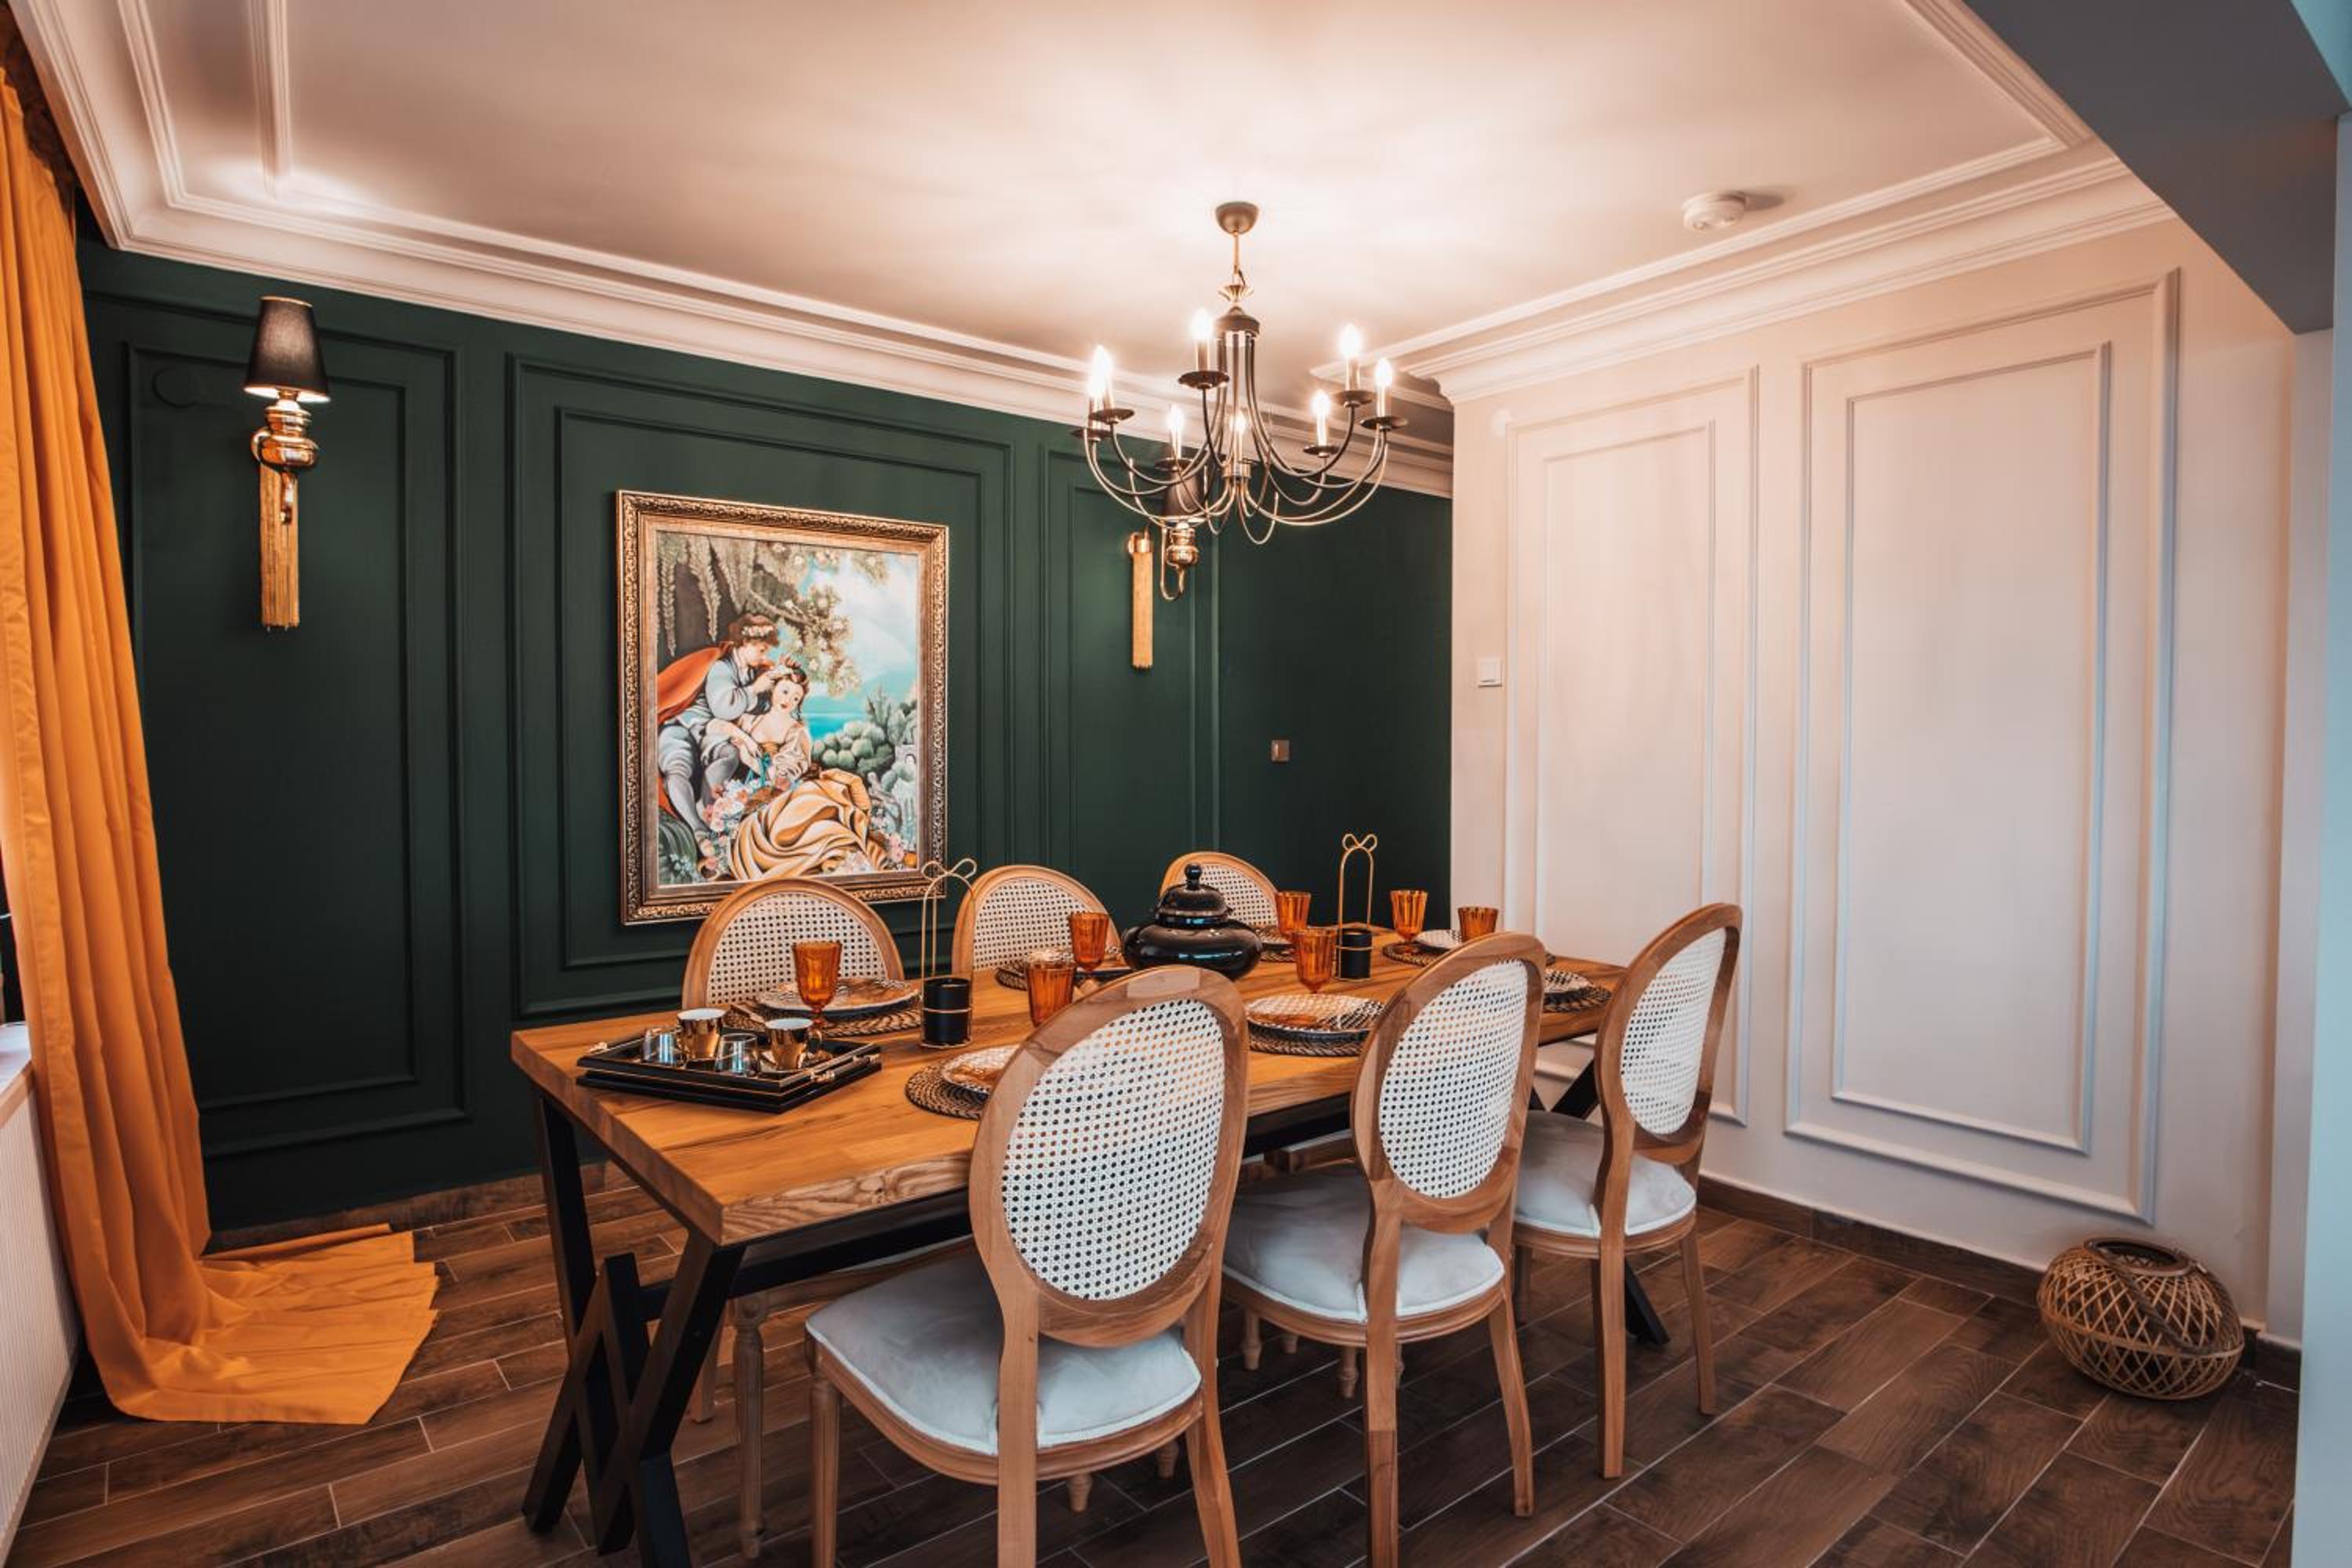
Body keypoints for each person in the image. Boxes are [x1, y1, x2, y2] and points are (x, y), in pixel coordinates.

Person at [652, 615, 786, 864]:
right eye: (761, 649)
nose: (764, 655)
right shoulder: (722, 668)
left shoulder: (751, 672)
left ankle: (707, 811)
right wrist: (755, 689)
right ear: (745, 643)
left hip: (712, 733)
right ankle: (697, 829)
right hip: (684, 727)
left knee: (729, 755)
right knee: (677, 769)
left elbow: (759, 707)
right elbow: (724, 707)